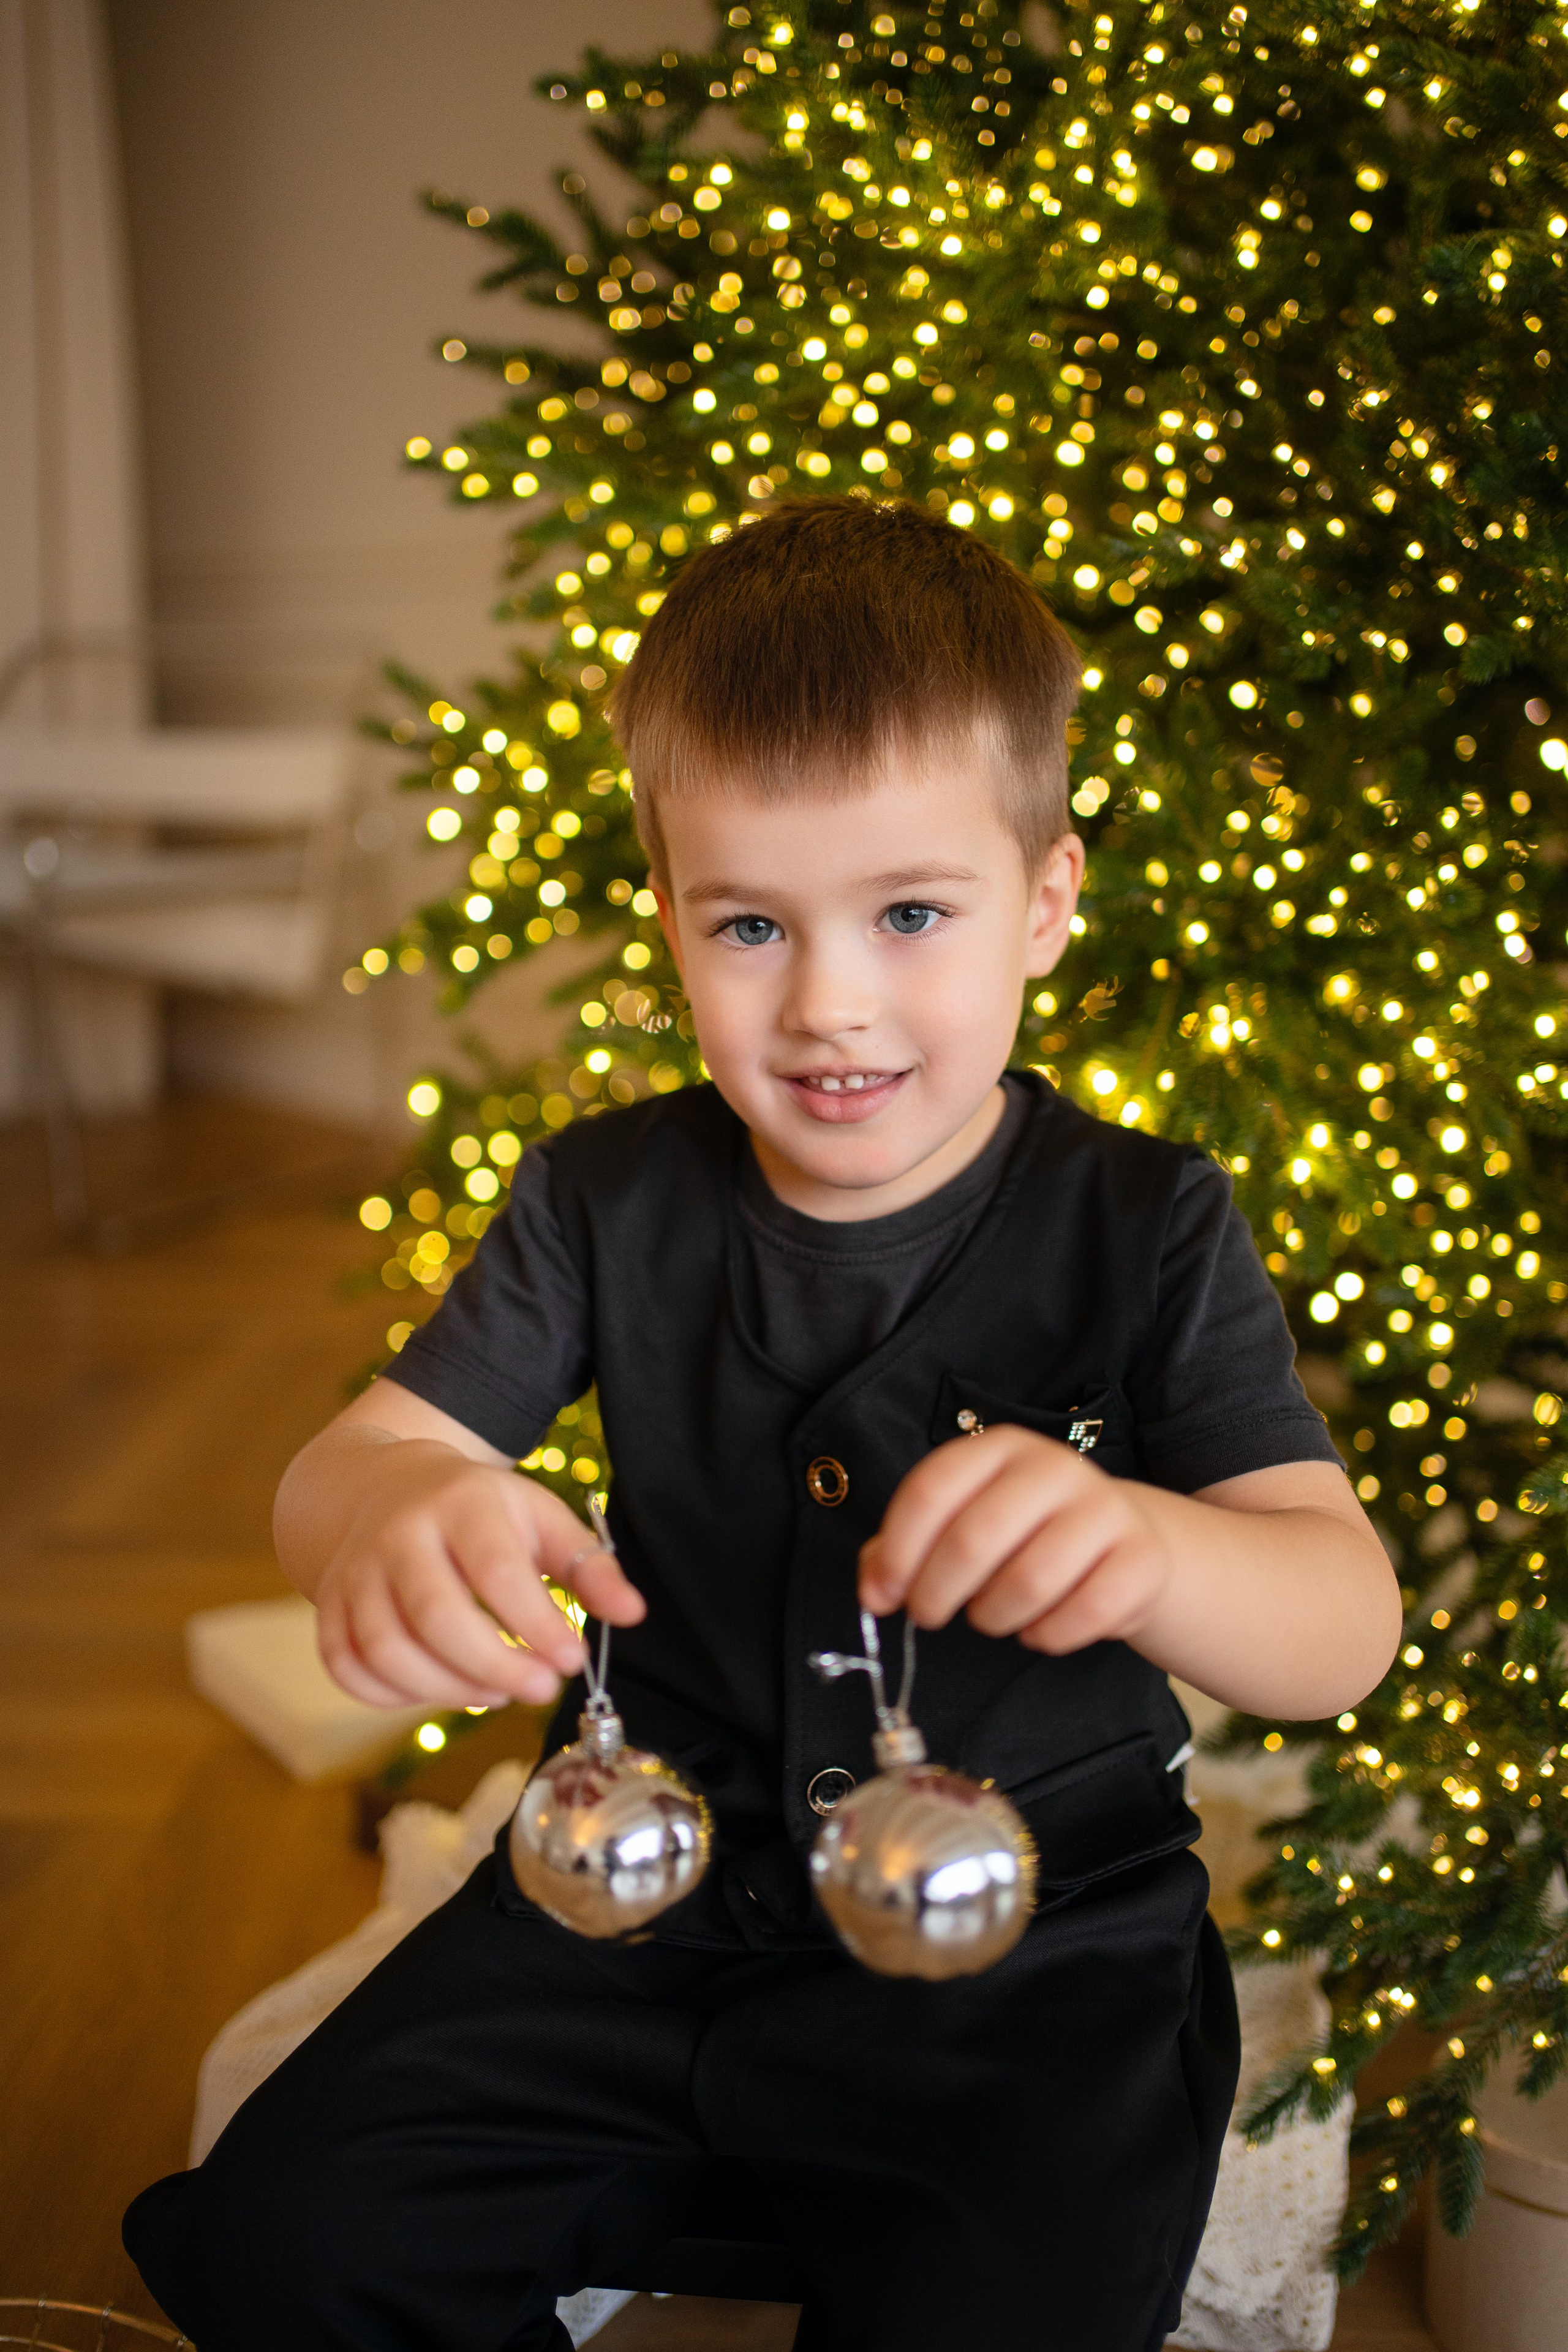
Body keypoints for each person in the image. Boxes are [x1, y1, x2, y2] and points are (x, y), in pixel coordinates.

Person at [124, 497, 1400, 2351]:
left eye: (909, 912)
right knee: (289, 2236)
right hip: (630, 1908)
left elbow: (1337, 1626)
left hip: (1027, 1951)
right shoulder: (599, 1200)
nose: (829, 1004)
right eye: (750, 924)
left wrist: (1152, 1545)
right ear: (672, 919)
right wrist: (397, 1513)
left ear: (1045, 901)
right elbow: (360, 1458)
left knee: (1017, 2295)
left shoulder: (1146, 1220)